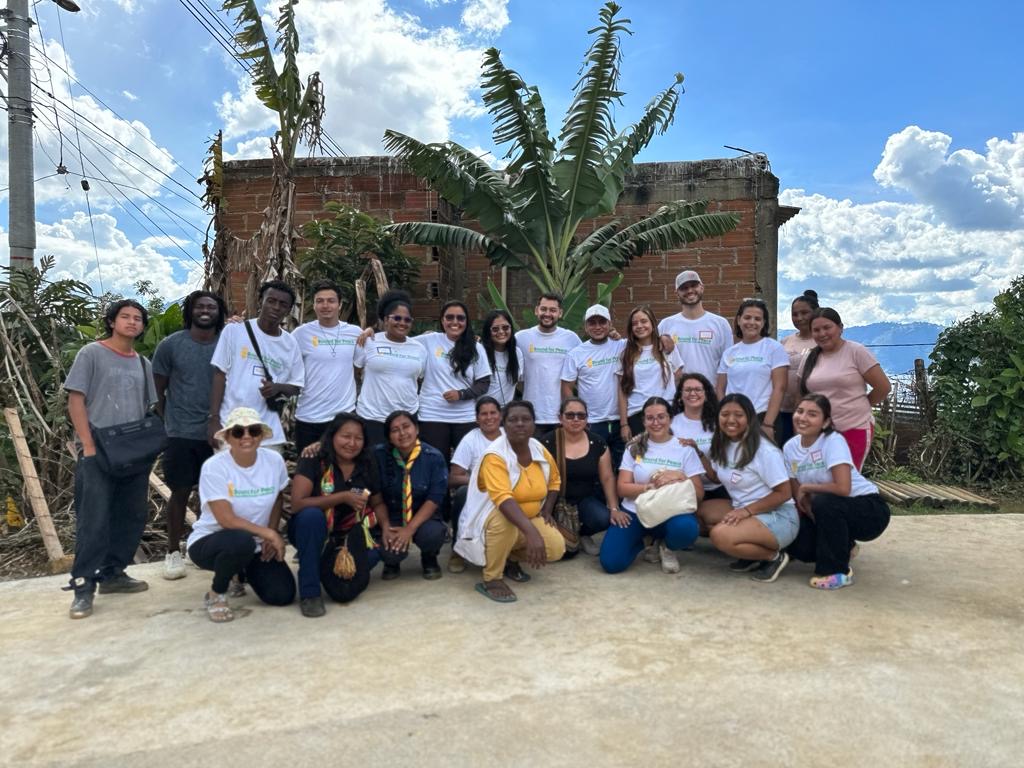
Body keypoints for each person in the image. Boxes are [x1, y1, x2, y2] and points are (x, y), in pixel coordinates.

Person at [64, 300, 158, 619]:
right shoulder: (91, 354)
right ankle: (83, 587)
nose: (132, 322)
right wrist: (87, 445)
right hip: (98, 449)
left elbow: (146, 409)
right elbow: (76, 398)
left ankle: (113, 574)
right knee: (94, 519)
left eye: (137, 318)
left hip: (132, 452)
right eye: (125, 317)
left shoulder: (143, 363)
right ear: (112, 321)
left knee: (131, 515)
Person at [187, 408, 296, 623]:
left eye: (253, 431)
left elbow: (277, 498)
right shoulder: (214, 467)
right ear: (227, 437)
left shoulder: (274, 461)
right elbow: (226, 520)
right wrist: (269, 533)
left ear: (261, 435)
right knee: (239, 541)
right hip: (213, 541)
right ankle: (216, 593)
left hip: (255, 543)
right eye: (238, 432)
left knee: (281, 595)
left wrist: (269, 534)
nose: (246, 437)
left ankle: (240, 571)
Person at [456, 400, 565, 603]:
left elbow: (555, 480)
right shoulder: (495, 455)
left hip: (529, 516)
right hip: (494, 517)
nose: (520, 424)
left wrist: (547, 509)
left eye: (526, 419)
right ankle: (492, 578)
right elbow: (503, 499)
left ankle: (511, 558)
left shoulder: (538, 448)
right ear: (504, 425)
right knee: (504, 521)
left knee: (556, 547)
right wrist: (532, 533)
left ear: (534, 424)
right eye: (513, 420)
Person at [152, 290, 227, 580]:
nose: (206, 310)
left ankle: (199, 545)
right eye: (200, 306)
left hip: (220, 432)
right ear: (191, 311)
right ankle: (172, 551)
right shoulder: (171, 345)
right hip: (181, 432)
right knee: (180, 491)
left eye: (211, 306)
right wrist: (168, 421)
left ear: (219, 312)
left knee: (211, 494)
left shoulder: (226, 344)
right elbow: (158, 389)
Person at [783, 394, 891, 589]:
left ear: (825, 422)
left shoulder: (833, 441)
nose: (803, 418)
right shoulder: (790, 448)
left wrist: (808, 488)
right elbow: (800, 498)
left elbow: (843, 488)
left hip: (869, 509)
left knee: (825, 502)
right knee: (799, 545)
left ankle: (837, 571)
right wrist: (814, 518)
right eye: (800, 411)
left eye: (812, 414)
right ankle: (846, 545)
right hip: (828, 509)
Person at [289, 412, 388, 616]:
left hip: (349, 535)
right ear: (332, 435)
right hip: (315, 531)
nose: (352, 443)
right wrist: (343, 496)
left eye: (358, 438)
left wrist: (387, 528)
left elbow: (377, 502)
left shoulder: (367, 462)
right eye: (345, 436)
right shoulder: (315, 458)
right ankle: (310, 593)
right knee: (311, 516)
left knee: (344, 592)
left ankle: (321, 565)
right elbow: (298, 504)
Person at [699, 394, 799, 583]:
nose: (731, 420)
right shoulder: (724, 444)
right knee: (699, 514)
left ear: (749, 418)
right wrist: (697, 453)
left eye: (738, 415)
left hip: (779, 515)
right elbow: (715, 476)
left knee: (720, 535)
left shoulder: (764, 451)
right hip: (744, 507)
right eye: (725, 414)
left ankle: (773, 557)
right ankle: (750, 553)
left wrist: (746, 512)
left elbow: (784, 493)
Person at [600, 397, 704, 575]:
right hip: (636, 511)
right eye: (650, 418)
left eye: (661, 417)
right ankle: (646, 542)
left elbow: (699, 494)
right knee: (611, 563)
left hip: (670, 512)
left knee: (687, 529)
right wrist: (651, 486)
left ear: (670, 419)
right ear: (643, 421)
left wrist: (680, 476)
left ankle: (666, 547)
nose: (656, 422)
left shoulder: (684, 447)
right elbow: (622, 488)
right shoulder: (633, 447)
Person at [208, 280, 304, 451]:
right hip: (231, 426)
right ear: (261, 301)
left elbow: (296, 387)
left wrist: (277, 387)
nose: (276, 307)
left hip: (268, 432)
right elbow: (219, 375)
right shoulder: (234, 331)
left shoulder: (290, 343)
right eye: (271, 301)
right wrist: (214, 419)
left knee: (266, 478)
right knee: (229, 478)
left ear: (289, 310)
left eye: (283, 304)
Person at [798, 307, 892, 470]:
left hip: (853, 427)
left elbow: (883, 387)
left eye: (827, 327)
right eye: (816, 330)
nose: (822, 333)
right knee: (817, 479)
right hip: (818, 432)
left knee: (846, 482)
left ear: (840, 328)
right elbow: (802, 394)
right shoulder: (809, 356)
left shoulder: (856, 351)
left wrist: (862, 405)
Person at [373, 410, 448, 580]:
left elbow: (434, 499)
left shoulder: (434, 457)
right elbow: (376, 499)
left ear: (417, 429)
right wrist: (385, 526)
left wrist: (409, 529)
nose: (402, 433)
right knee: (389, 551)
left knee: (432, 534)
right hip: (392, 516)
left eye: (406, 426)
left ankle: (429, 557)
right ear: (389, 437)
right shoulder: (377, 456)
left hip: (424, 517)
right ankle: (392, 563)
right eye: (395, 430)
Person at [540, 397, 618, 556]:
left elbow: (607, 477)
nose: (576, 419)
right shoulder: (547, 442)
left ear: (587, 419)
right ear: (560, 418)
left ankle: (582, 534)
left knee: (603, 518)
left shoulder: (597, 442)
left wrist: (614, 507)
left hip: (584, 499)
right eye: (570, 415)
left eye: (581, 415)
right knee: (565, 554)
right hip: (554, 502)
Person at [415, 301, 492, 459]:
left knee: (467, 466)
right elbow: (400, 341)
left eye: (460, 318)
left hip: (465, 417)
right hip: (431, 415)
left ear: (466, 321)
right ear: (442, 320)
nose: (455, 322)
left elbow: (484, 383)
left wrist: (461, 394)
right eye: (449, 317)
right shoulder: (429, 340)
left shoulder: (476, 348)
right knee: (435, 465)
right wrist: (370, 332)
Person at [291, 280, 362, 452]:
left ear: (340, 305)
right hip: (308, 417)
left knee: (341, 472)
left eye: (331, 300)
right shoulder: (300, 334)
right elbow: (276, 350)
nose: (325, 305)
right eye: (319, 301)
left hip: (343, 417)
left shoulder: (355, 333)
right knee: (309, 472)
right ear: (313, 305)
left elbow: (361, 367)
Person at [354, 290, 428, 447]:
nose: (402, 323)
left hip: (407, 418)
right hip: (373, 417)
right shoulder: (369, 341)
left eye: (407, 319)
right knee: (374, 465)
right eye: (397, 318)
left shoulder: (419, 348)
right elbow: (356, 372)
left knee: (404, 466)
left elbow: (420, 378)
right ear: (385, 319)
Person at [561, 304, 626, 468]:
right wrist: (578, 415)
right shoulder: (576, 354)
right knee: (595, 470)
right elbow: (567, 387)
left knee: (622, 467)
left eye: (602, 322)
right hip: (593, 423)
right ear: (586, 326)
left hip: (621, 421)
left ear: (610, 324)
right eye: (592, 323)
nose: (597, 327)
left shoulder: (622, 346)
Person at [715, 298, 788, 441]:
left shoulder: (774, 348)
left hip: (762, 418)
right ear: (738, 320)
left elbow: (780, 387)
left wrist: (768, 424)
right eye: (747, 317)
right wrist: (726, 416)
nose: (752, 322)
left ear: (764, 323)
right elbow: (720, 389)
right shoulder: (729, 353)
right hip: (734, 420)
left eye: (757, 319)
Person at [447, 397, 503, 573]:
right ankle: (458, 550)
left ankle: (513, 554)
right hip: (479, 491)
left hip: (507, 490)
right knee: (463, 493)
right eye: (484, 414)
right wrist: (480, 481)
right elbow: (453, 478)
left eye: (493, 412)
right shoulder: (470, 439)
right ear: (477, 418)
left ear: (500, 415)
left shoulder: (510, 436)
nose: (489, 417)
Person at [515, 293, 581, 434]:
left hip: (562, 417)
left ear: (560, 313)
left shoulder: (571, 339)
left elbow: (589, 361)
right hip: (531, 415)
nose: (547, 314)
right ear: (536, 310)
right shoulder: (521, 338)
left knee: (561, 456)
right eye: (543, 309)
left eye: (552, 310)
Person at [618, 306, 683, 441]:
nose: (639, 326)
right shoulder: (626, 353)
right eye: (634, 323)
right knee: (641, 459)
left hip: (666, 413)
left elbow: (678, 377)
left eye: (644, 321)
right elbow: (622, 390)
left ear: (653, 323)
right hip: (637, 416)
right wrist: (624, 424)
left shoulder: (666, 347)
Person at [657, 270, 734, 383]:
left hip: (711, 396)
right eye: (684, 288)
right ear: (676, 293)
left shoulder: (721, 324)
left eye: (694, 286)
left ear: (702, 287)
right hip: (676, 397)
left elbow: (728, 365)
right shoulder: (666, 325)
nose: (690, 291)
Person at [670, 372, 729, 514]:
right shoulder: (672, 423)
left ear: (706, 394)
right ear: (680, 395)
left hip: (719, 486)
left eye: (698, 389)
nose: (693, 393)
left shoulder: (719, 422)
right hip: (687, 489)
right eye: (688, 389)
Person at [776, 290, 820, 446]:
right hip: (783, 410)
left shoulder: (822, 341)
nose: (799, 318)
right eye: (795, 314)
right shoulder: (786, 341)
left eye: (804, 313)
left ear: (815, 313)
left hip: (813, 412)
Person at [480, 309, 524, 407]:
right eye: (495, 329)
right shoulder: (480, 352)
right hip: (482, 412)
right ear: (488, 331)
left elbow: (519, 382)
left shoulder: (517, 353)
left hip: (505, 413)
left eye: (505, 327)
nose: (501, 332)